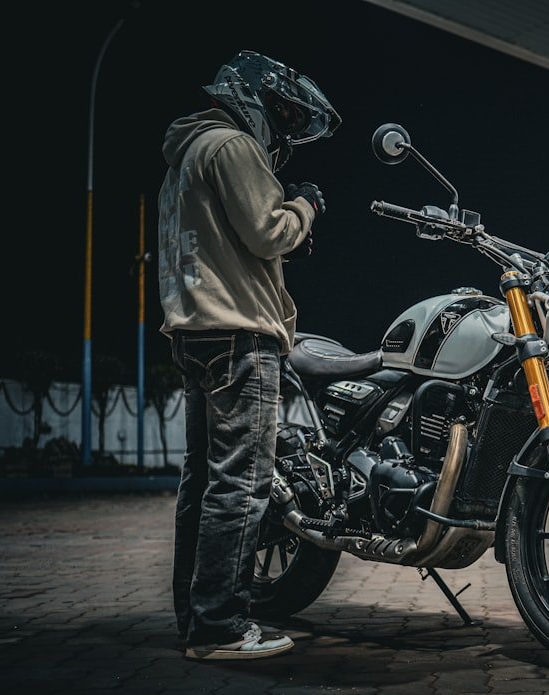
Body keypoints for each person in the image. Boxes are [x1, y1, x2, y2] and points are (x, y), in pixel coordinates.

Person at [156, 50, 341, 661]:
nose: (280, 131)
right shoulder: (231, 147)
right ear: (252, 97)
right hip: (240, 335)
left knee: (203, 482)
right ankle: (221, 629)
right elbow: (268, 231)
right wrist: (305, 205)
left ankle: (195, 616)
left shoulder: (185, 156)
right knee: (242, 483)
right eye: (279, 116)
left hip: (196, 331)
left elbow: (226, 243)